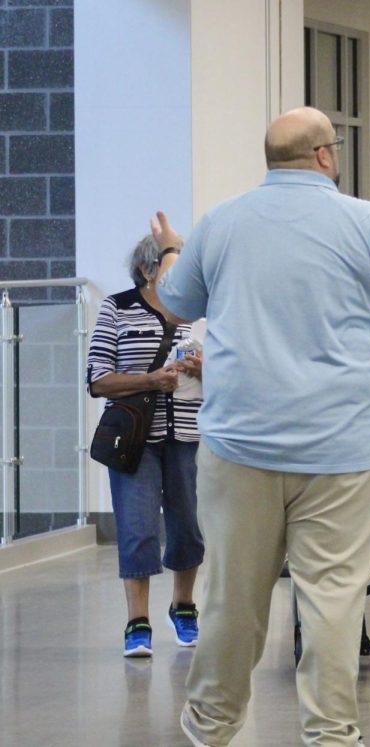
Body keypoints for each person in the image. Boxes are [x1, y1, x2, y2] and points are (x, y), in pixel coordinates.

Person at [155, 106, 370, 746]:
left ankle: (210, 727)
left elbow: (173, 302)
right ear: (324, 155)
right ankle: (332, 734)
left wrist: (177, 249)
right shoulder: (366, 223)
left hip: (241, 450)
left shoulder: (223, 222)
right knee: (333, 602)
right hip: (342, 456)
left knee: (233, 598)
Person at [87, 234, 204, 657]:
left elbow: (232, 374)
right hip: (134, 438)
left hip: (188, 435)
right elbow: (98, 379)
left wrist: (204, 369)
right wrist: (151, 380)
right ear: (148, 269)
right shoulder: (116, 307)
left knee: (188, 525)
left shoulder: (198, 312)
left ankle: (184, 606)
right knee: (137, 528)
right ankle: (137, 622)